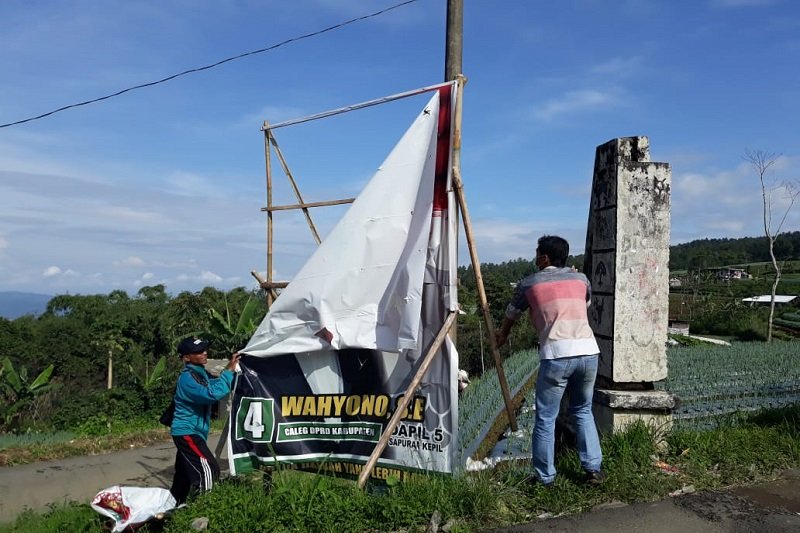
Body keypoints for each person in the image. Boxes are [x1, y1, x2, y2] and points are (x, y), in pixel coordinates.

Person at [496, 235, 605, 487]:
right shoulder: (581, 279)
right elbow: (584, 303)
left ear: (544, 258)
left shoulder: (528, 284)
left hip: (557, 355)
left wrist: (502, 335)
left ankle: (545, 477)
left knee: (545, 417)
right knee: (582, 410)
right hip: (588, 352)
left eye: (537, 254)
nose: (535, 258)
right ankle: (593, 470)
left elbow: (511, 313)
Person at [169, 336, 241, 504]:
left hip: (194, 431)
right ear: (186, 357)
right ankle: (205, 506)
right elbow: (210, 394)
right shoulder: (187, 378)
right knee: (208, 468)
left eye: (204, 349)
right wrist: (229, 372)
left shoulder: (200, 374)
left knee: (184, 474)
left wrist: (229, 370)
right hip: (188, 431)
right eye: (198, 351)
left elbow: (214, 386)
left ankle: (173, 505)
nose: (204, 353)